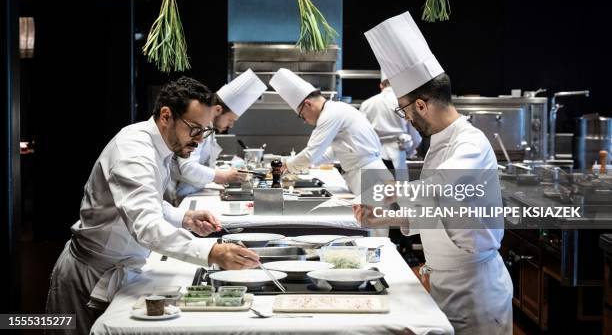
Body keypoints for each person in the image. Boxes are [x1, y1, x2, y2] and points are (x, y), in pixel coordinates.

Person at [46, 77, 259, 335]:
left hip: (121, 266)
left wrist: (184, 217)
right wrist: (212, 251)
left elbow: (147, 200)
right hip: (88, 275)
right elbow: (146, 225)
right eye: (194, 129)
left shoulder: (159, 145)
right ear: (166, 116)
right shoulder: (134, 150)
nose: (199, 140)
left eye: (205, 131)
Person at [357, 10, 512, 334]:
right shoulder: (439, 143)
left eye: (403, 109)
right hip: (444, 285)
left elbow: (443, 188)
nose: (405, 117)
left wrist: (390, 192)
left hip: (476, 291)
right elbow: (433, 213)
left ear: (422, 105)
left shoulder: (471, 143)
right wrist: (380, 220)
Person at [269, 68, 391, 199]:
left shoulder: (330, 114)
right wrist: (308, 163)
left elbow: (311, 154)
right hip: (364, 175)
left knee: (376, 218)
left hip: (370, 177)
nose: (306, 121)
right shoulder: (335, 109)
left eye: (302, 116)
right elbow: (335, 150)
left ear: (308, 104)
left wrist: (287, 166)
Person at [168, 69, 267, 201]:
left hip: (190, 192)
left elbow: (203, 163)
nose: (231, 125)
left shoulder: (209, 128)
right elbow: (188, 168)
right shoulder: (200, 127)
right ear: (218, 110)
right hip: (178, 196)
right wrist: (222, 175)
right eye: (231, 120)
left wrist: (225, 171)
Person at [359, 70, 422, 181]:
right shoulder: (406, 104)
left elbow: (360, 134)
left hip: (375, 155)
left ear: (381, 85)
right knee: (399, 193)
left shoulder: (367, 104)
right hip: (398, 152)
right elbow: (416, 136)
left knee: (376, 192)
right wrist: (410, 151)